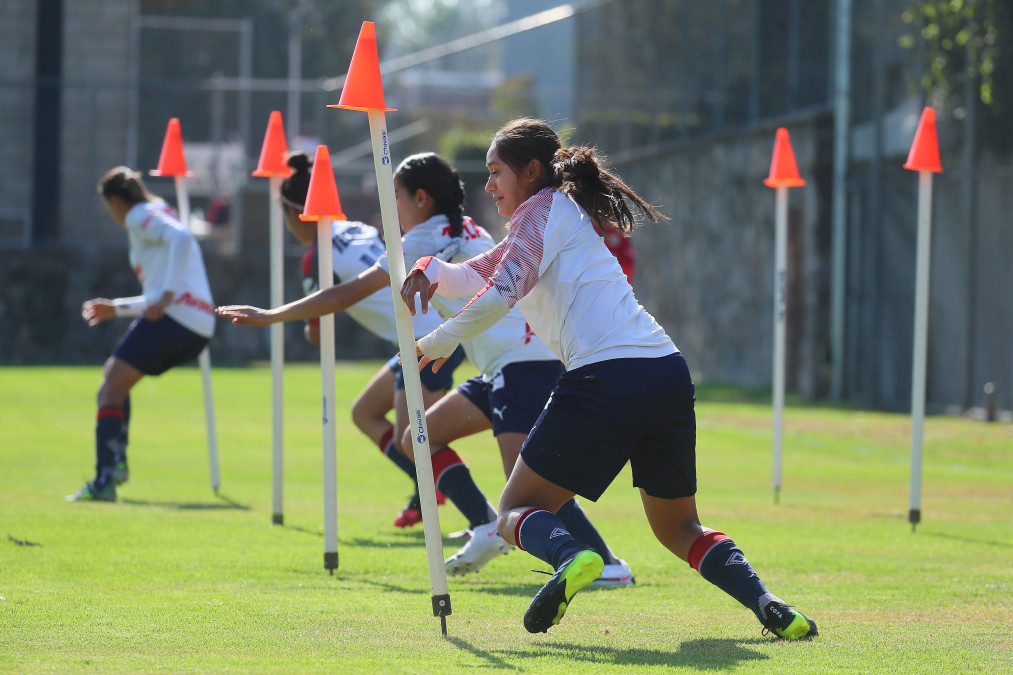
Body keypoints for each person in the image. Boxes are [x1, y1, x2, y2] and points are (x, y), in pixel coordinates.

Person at [400, 118, 818, 639]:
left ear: (532, 171)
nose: (488, 185)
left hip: (605, 376)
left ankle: (575, 556)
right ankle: (770, 605)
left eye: (495, 172)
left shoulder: (542, 209)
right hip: (666, 372)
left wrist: (434, 343)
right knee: (679, 529)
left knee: (514, 510)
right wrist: (429, 269)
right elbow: (474, 274)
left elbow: (502, 290)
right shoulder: (548, 214)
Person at [221, 152, 633, 583]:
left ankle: (604, 562)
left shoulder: (422, 239)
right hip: (499, 367)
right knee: (418, 438)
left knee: (527, 482)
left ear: (420, 199)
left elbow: (346, 294)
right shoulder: (456, 228)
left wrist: (270, 316)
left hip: (523, 363)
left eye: (394, 196)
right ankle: (489, 525)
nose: (389, 206)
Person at [277, 152, 463, 527]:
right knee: (365, 413)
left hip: (432, 338)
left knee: (412, 441)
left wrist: (302, 323)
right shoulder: (357, 228)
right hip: (419, 337)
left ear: (296, 213)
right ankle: (425, 485)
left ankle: (474, 514)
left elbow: (316, 333)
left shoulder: (316, 257)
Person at [68, 167, 215, 502]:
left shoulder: (138, 215)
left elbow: (181, 239)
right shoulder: (159, 210)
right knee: (115, 379)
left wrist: (166, 294)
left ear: (116, 202)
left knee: (108, 390)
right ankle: (116, 462)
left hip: (177, 319)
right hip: (198, 325)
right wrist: (116, 307)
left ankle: (105, 478)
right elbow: (160, 293)